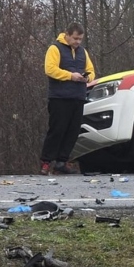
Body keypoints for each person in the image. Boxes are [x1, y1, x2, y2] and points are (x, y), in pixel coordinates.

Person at [41, 22, 96, 175]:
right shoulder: (55, 48)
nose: (78, 42)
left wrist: (87, 78)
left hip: (78, 96)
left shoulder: (83, 52)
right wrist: (70, 76)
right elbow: (50, 69)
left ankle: (62, 162)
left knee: (73, 131)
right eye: (75, 38)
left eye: (80, 39)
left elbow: (91, 70)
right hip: (59, 97)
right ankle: (46, 162)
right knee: (57, 130)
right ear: (67, 35)